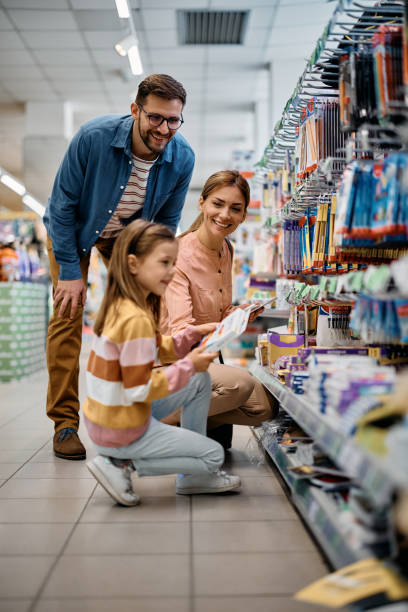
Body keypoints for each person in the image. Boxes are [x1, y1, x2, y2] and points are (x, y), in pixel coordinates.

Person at [43, 74, 195, 460]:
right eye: (156, 118)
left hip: (128, 238)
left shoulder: (182, 158)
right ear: (135, 111)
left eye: (173, 120)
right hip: (73, 230)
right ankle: (65, 424)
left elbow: (165, 225)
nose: (164, 129)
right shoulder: (93, 138)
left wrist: (158, 272)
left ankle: (139, 408)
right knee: (67, 314)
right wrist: (72, 274)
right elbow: (60, 208)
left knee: (144, 313)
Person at [84, 219, 241, 506]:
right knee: (214, 454)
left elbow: (156, 350)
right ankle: (122, 464)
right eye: (165, 263)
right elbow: (139, 389)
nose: (172, 272)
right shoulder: (135, 319)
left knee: (199, 381)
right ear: (133, 264)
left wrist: (189, 336)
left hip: (108, 415)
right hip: (121, 426)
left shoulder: (127, 305)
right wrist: (189, 364)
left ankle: (188, 475)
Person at [161, 170, 278, 448]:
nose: (225, 215)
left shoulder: (227, 249)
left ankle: (191, 426)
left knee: (264, 407)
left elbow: (220, 311)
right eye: (218, 204)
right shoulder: (176, 256)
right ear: (201, 203)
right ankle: (150, 422)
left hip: (200, 359)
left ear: (243, 215)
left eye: (235, 208)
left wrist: (240, 314)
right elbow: (181, 333)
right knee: (239, 384)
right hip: (166, 362)